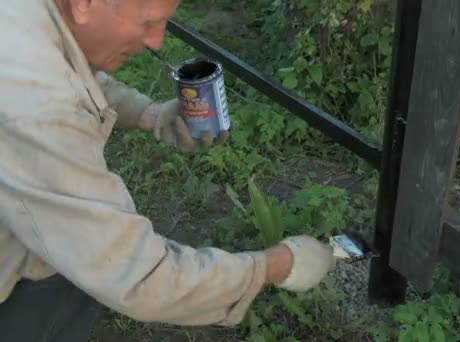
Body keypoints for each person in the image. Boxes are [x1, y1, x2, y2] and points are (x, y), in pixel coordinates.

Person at [0, 0, 336, 341]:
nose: (157, 41)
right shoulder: (33, 106)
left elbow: (65, 66)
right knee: (67, 286)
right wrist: (276, 265)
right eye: (148, 23)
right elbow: (136, 274)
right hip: (11, 287)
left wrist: (148, 113)